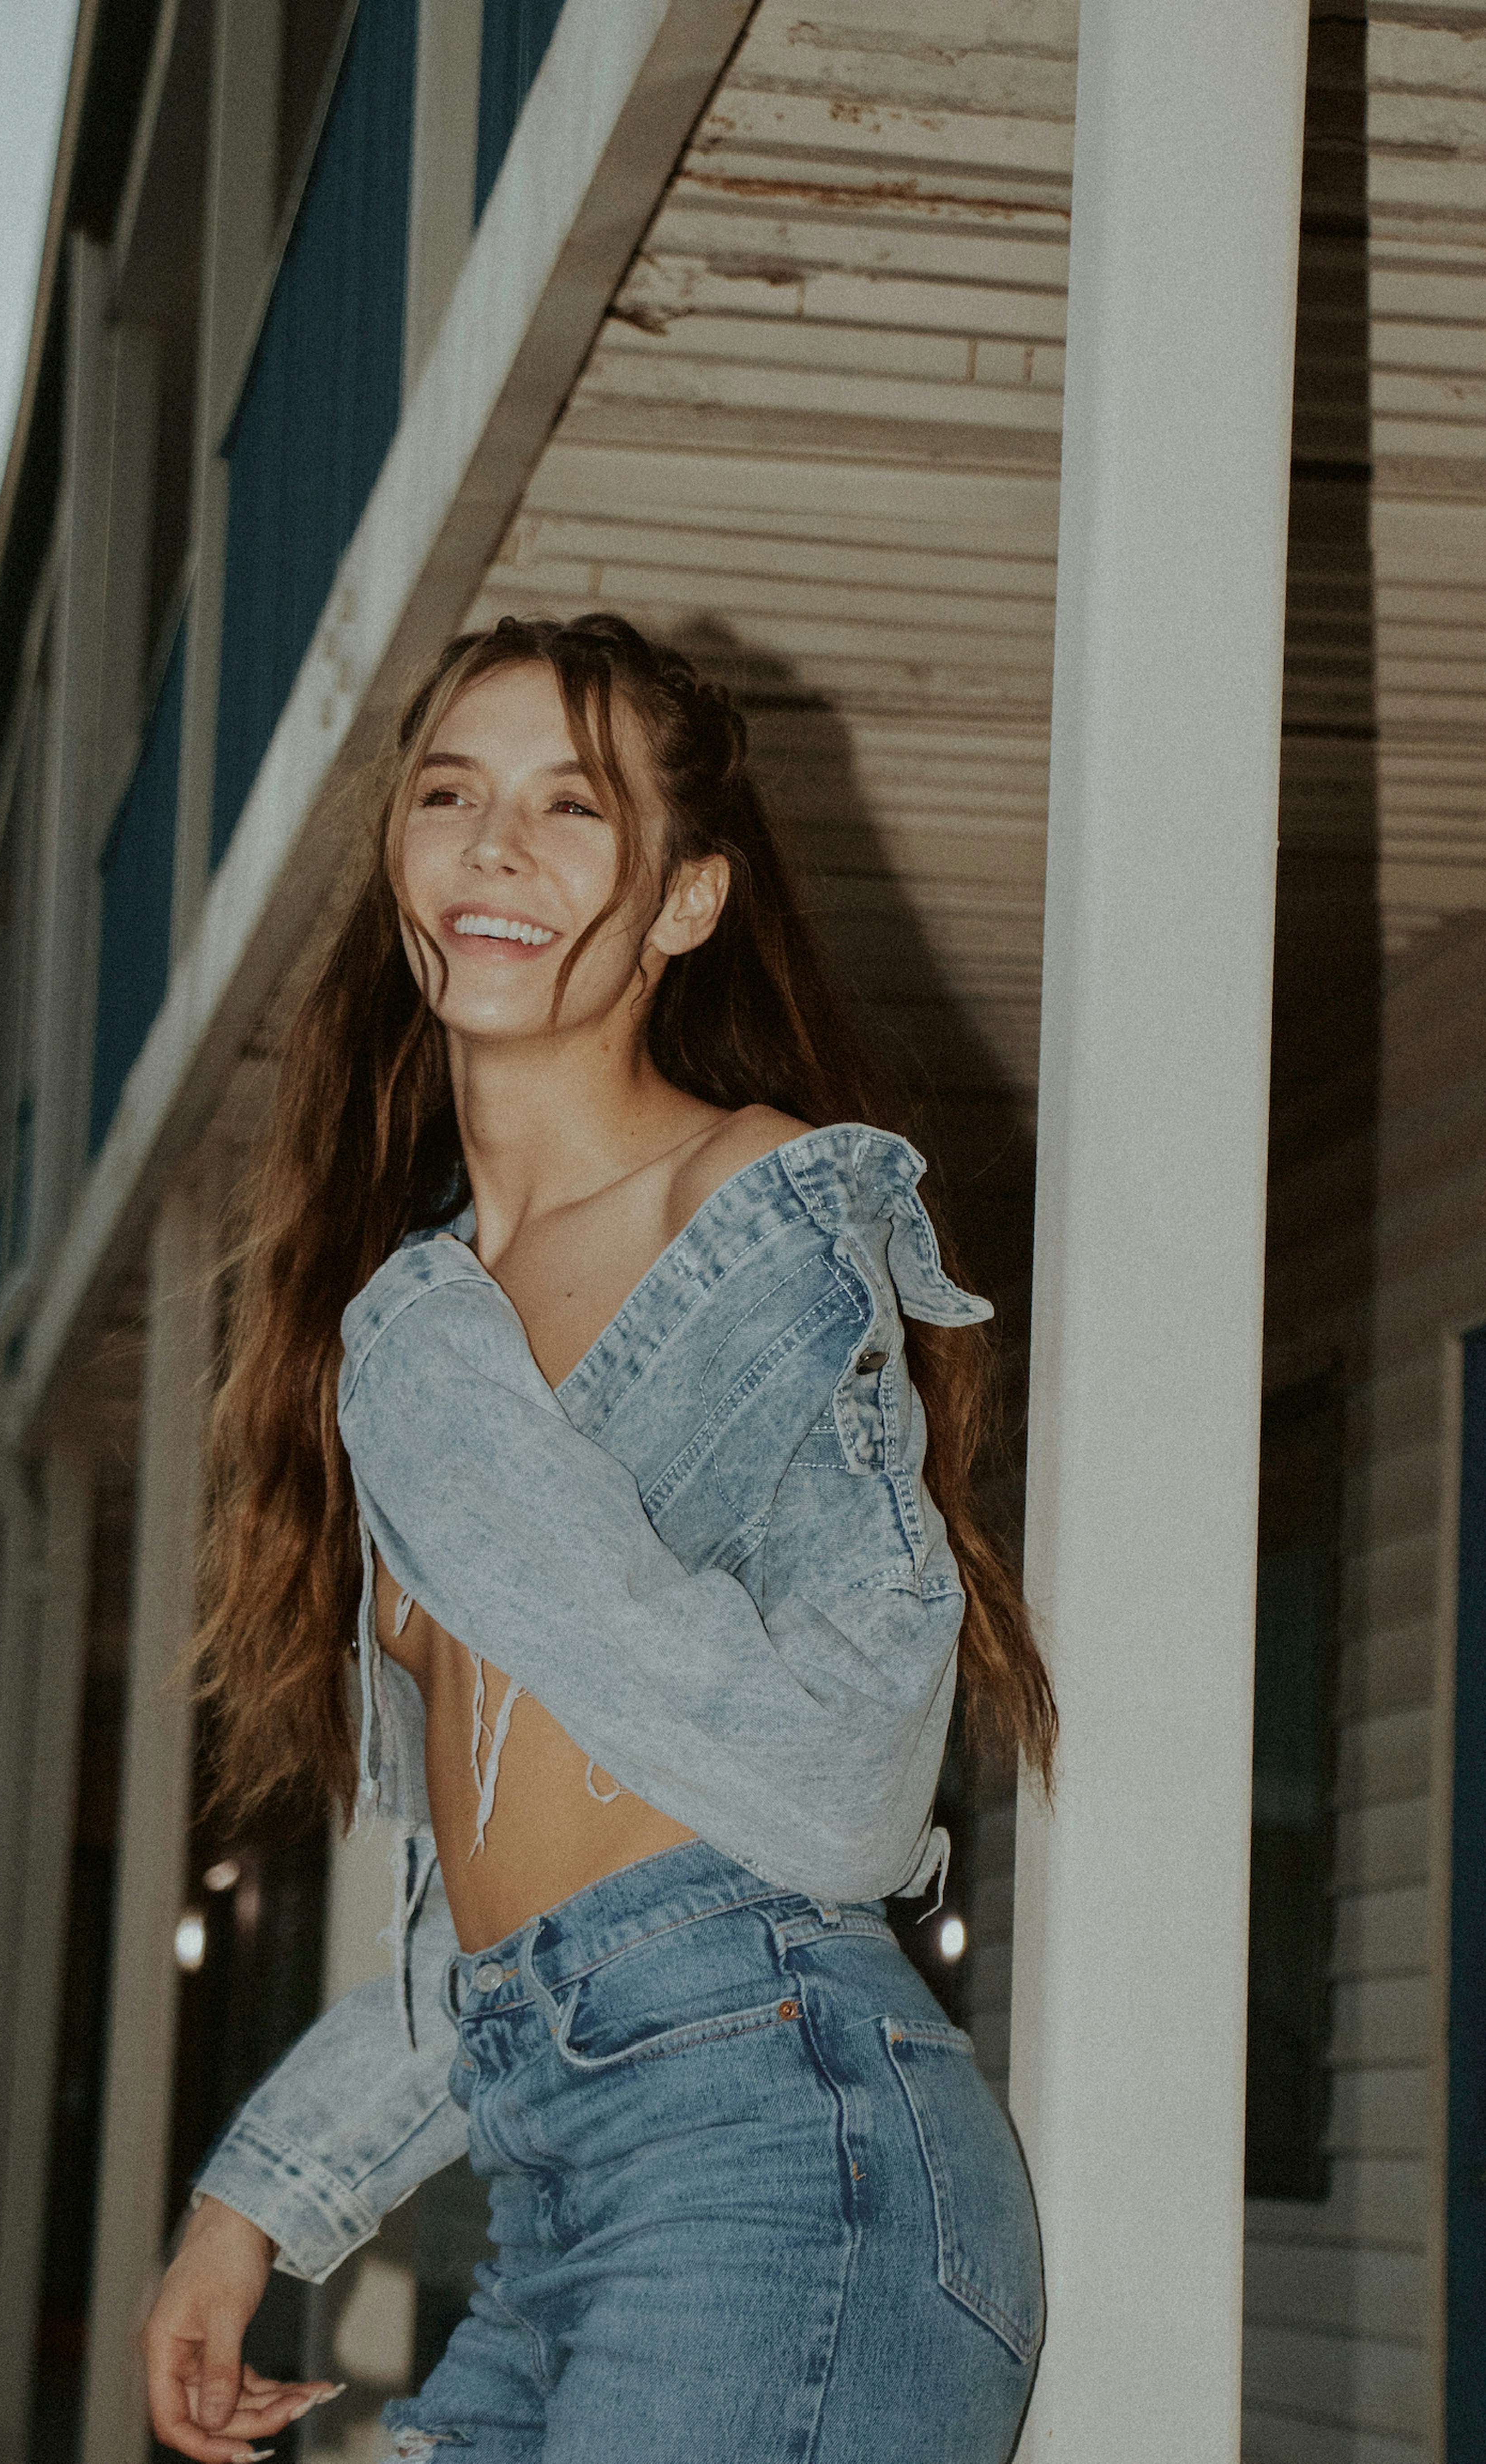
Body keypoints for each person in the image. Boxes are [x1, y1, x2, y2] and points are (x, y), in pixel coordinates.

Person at [143, 614, 1056, 2464]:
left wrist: (441, 1385)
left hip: (782, 2139)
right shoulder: (408, 1323)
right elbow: (499, 1903)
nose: (493, 846)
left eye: (572, 805)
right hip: (548, 2180)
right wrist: (255, 2199)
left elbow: (844, 1788)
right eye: (449, 793)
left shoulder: (758, 1216)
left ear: (686, 900)